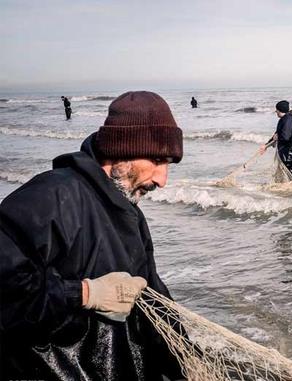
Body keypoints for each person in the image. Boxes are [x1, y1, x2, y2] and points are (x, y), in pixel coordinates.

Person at [0, 91, 184, 380]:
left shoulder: (130, 213)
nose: (163, 179)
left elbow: (155, 302)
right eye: (158, 159)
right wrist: (84, 294)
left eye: (169, 164)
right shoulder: (52, 197)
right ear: (121, 150)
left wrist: (185, 363)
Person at [259, 100, 292, 178]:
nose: (276, 112)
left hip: (290, 154)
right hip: (287, 153)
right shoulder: (284, 119)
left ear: (279, 111)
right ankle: (291, 187)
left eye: (277, 110)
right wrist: (266, 146)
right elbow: (276, 135)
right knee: (287, 174)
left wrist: (277, 138)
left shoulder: (288, 121)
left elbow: (285, 137)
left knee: (289, 174)